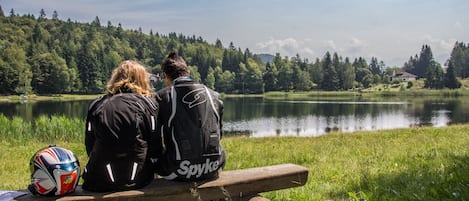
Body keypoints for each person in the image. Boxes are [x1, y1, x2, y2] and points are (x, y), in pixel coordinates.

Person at [82, 60, 160, 192]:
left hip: (97, 180)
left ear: (115, 78)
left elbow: (90, 145)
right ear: (142, 80)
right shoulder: (148, 104)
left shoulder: (97, 104)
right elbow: (155, 148)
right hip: (138, 179)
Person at [154, 51, 225, 181]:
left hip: (179, 171)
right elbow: (220, 133)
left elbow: (155, 140)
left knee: (152, 157)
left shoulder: (162, 97)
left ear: (165, 75)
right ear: (188, 72)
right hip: (214, 167)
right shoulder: (214, 95)